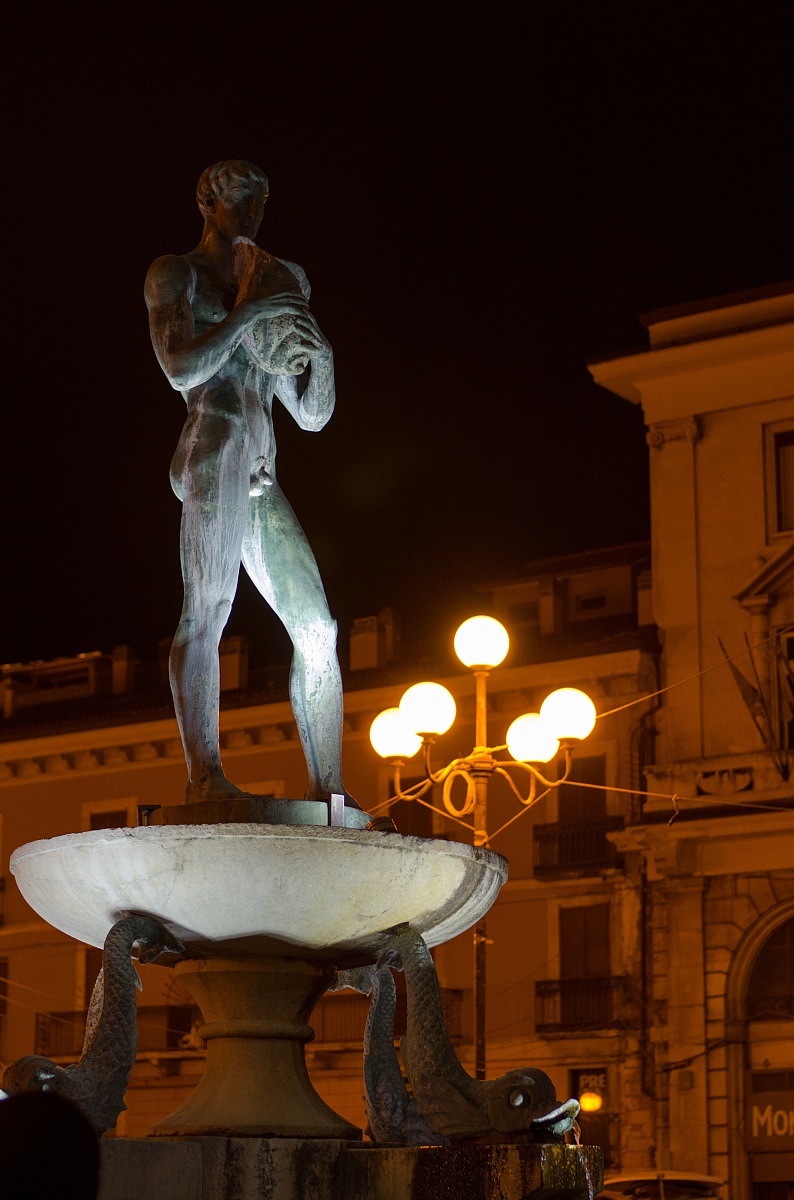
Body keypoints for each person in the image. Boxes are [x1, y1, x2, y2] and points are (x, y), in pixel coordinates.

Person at [145, 160, 352, 808]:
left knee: (317, 628)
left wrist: (322, 356)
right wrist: (247, 313)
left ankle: (329, 795)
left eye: (262, 203)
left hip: (262, 467)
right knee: (207, 611)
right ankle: (205, 776)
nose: (254, 214)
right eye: (242, 200)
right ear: (209, 200)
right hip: (215, 443)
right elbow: (181, 368)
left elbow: (312, 416)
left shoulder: (279, 279)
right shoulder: (176, 273)